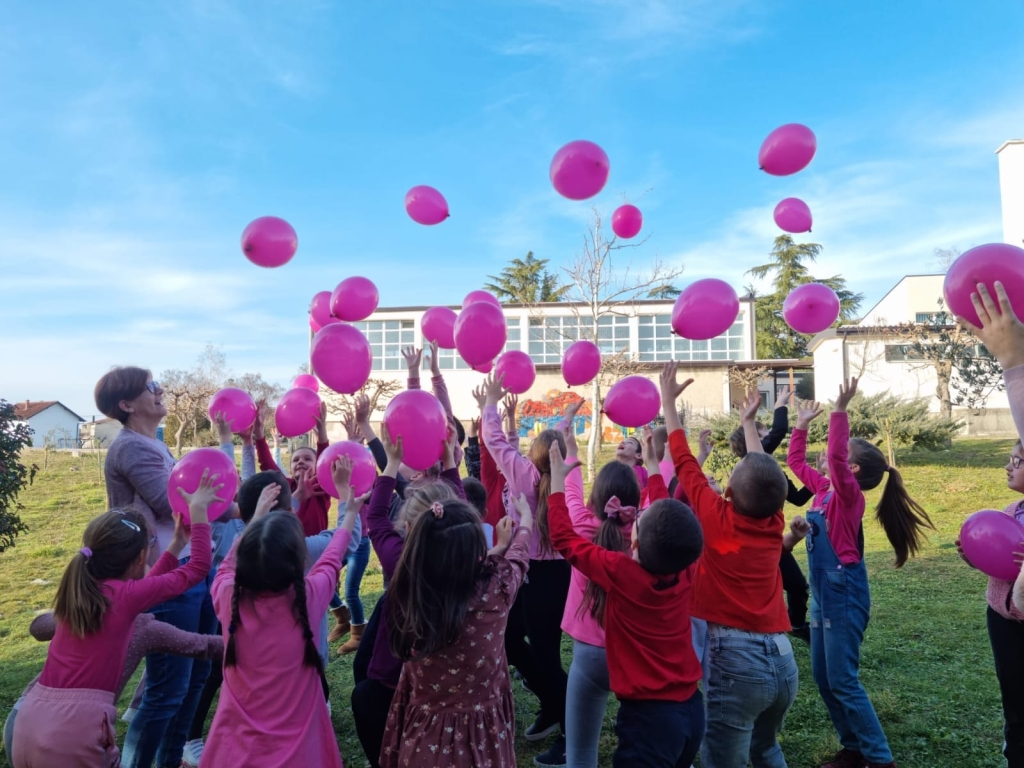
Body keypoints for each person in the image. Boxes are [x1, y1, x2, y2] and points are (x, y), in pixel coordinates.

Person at [12, 475, 217, 767]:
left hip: (27, 723)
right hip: (74, 737)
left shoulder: (85, 590)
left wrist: (177, 543)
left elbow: (149, 584)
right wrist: (199, 517)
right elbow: (197, 568)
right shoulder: (124, 596)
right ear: (138, 560)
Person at [788, 377, 935, 768]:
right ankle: (853, 748)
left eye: (840, 455)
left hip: (844, 596)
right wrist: (800, 425)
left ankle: (879, 759)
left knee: (844, 681)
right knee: (824, 678)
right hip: (823, 598)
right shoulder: (822, 492)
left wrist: (839, 412)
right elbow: (796, 463)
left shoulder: (848, 495)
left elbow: (834, 460)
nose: (829, 456)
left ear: (851, 468)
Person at [666, 371, 799, 768]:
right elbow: (761, 468)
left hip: (737, 666)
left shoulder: (715, 515)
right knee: (766, 749)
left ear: (726, 492)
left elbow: (684, 461)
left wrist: (669, 403)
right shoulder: (775, 520)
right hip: (783, 660)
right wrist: (747, 424)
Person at [548, 437, 705, 768]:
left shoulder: (618, 569)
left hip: (641, 709)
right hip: (689, 706)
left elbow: (562, 537)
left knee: (582, 753)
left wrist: (557, 481)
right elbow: (667, 514)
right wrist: (653, 467)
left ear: (636, 546)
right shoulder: (687, 566)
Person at [95, 365, 218, 768]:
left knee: (194, 680)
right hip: (164, 578)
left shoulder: (154, 444)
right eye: (150, 386)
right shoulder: (131, 447)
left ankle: (168, 761)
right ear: (127, 404)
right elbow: (173, 504)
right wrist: (246, 506)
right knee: (168, 689)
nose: (160, 389)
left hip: (187, 569)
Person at [199, 472, 360, 767]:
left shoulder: (227, 595)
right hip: (302, 754)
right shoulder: (309, 597)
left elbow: (228, 565)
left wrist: (256, 519)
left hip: (236, 752)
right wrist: (349, 511)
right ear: (301, 560)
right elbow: (334, 552)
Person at [380, 477, 533, 766]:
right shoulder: (497, 592)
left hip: (423, 739)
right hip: (483, 739)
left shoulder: (409, 589)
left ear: (416, 539)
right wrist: (523, 519)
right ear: (478, 547)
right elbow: (520, 554)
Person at [351, 422, 466, 768]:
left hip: (395, 672)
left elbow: (376, 517)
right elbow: (459, 515)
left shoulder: (401, 561)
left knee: (368, 696)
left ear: (408, 525)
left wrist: (389, 465)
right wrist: (450, 465)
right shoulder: (465, 557)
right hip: (440, 669)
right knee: (364, 671)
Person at [561, 422, 668, 768]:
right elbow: (659, 497)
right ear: (637, 500)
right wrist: (652, 461)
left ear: (596, 498)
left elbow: (570, 493)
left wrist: (571, 453)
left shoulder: (579, 525)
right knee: (649, 742)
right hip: (636, 653)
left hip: (590, 656)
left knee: (580, 755)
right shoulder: (647, 530)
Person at [482, 372, 571, 765]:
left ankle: (568, 721)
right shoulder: (563, 475)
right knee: (510, 639)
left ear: (534, 453)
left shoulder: (524, 474)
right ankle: (553, 701)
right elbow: (550, 446)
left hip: (537, 574)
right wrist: (565, 420)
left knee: (547, 654)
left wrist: (490, 404)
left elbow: (494, 441)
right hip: (553, 575)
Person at [4, 612, 222, 762]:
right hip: (67, 737)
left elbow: (37, 628)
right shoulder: (142, 627)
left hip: (21, 721)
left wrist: (74, 607)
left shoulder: (83, 609)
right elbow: (205, 645)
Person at [724, 387, 814, 642]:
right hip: (752, 544)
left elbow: (796, 497)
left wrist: (821, 479)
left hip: (773, 540)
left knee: (797, 586)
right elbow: (779, 433)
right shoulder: (747, 467)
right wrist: (780, 405)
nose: (769, 440)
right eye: (761, 436)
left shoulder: (770, 471)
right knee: (761, 591)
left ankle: (796, 625)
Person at [253, 399, 332, 537]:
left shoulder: (320, 486)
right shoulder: (285, 485)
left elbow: (325, 458)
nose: (301, 462)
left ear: (317, 465)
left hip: (313, 553)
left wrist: (322, 432)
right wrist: (259, 431)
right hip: (287, 550)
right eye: (296, 460)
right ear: (290, 469)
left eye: (307, 459)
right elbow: (267, 463)